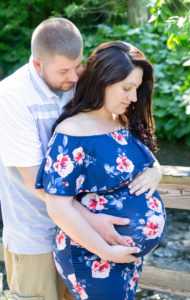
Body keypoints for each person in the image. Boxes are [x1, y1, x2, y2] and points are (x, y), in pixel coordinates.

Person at [0, 18, 162, 300]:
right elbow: (36, 181)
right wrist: (92, 220)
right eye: (65, 70)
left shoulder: (75, 87)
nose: (75, 78)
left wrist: (155, 169)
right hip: (37, 235)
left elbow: (128, 143)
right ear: (38, 64)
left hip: (85, 237)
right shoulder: (11, 98)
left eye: (79, 67)